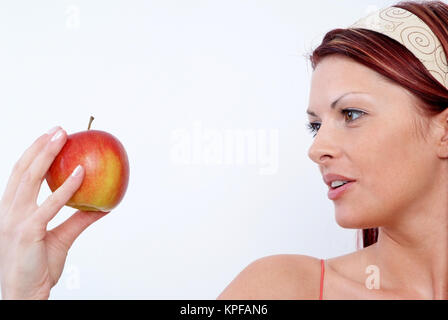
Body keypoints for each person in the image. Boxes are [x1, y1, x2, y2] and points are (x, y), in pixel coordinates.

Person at [1, 0, 448, 300]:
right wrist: (22, 292)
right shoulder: (281, 289)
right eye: (314, 126)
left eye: (351, 114)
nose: (318, 150)